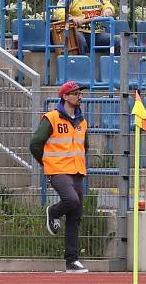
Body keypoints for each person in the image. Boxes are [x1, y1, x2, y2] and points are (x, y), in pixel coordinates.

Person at [29, 81, 89, 273]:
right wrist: (47, 164)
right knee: (70, 200)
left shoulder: (82, 122)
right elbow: (36, 143)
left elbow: (84, 146)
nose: (80, 97)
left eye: (80, 94)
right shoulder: (51, 118)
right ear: (65, 96)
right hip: (58, 170)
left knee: (75, 214)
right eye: (76, 93)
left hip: (77, 171)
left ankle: (72, 261)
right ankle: (53, 212)